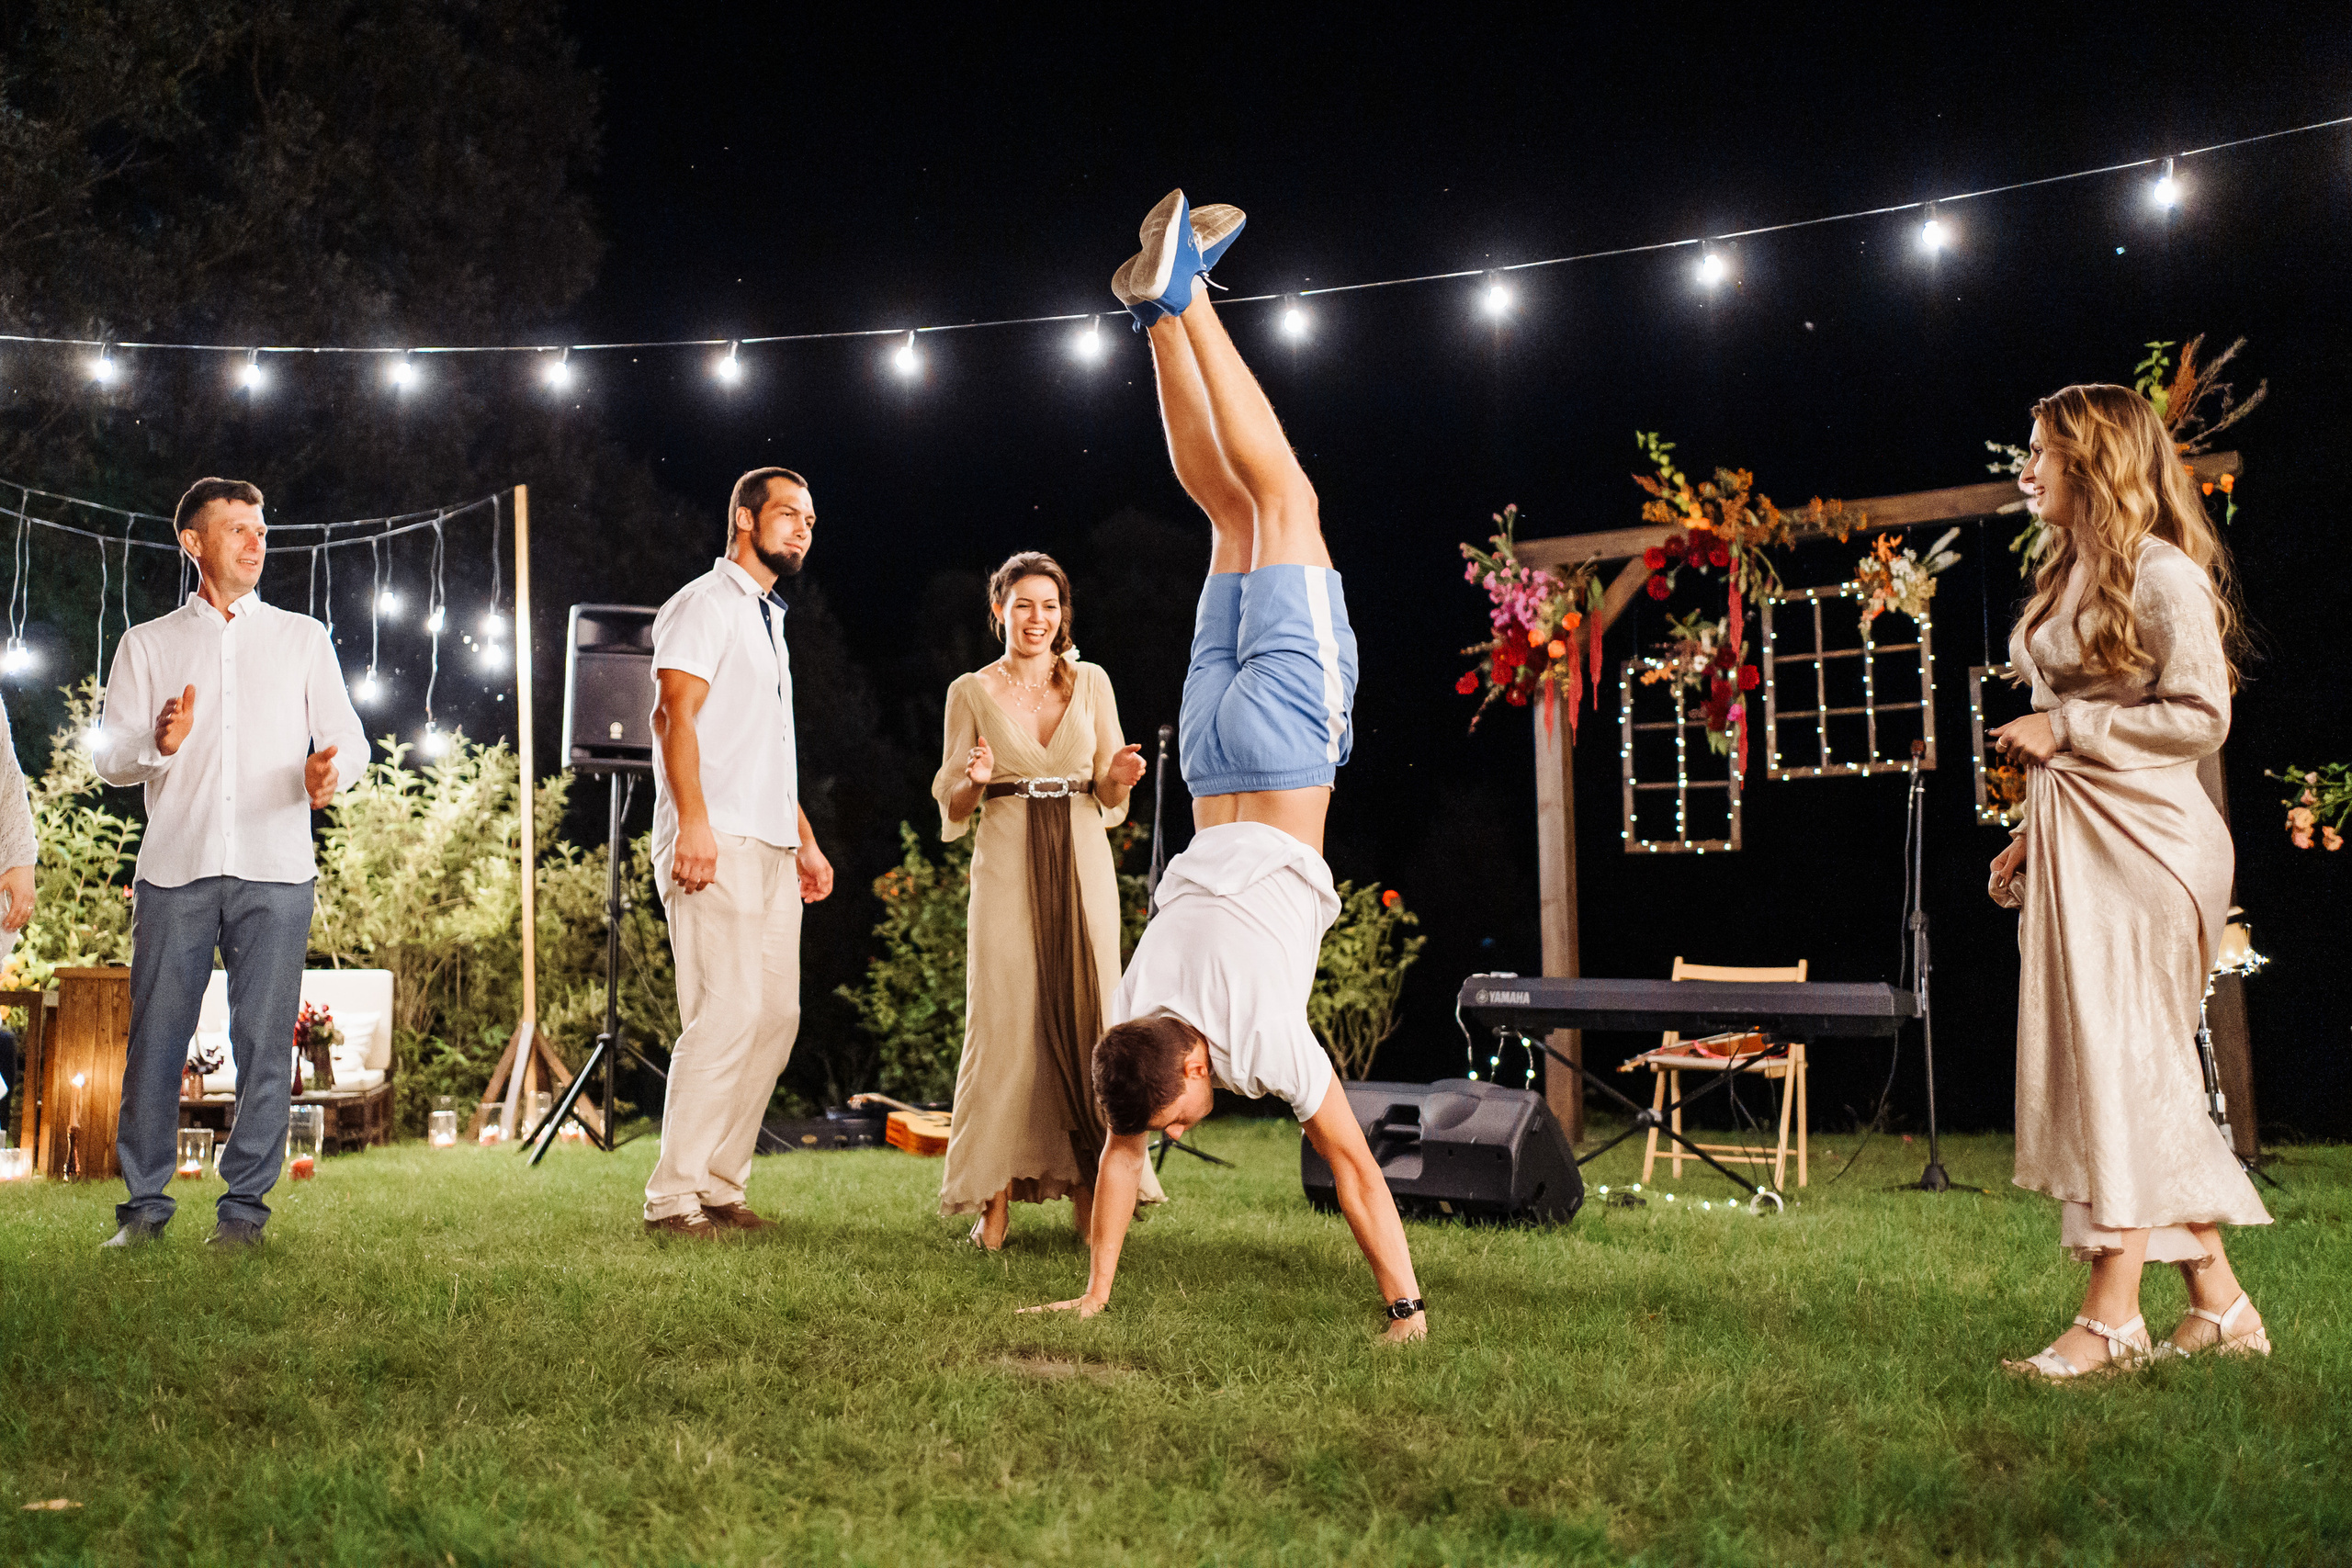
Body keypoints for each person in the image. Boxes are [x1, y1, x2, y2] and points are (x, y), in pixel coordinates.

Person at [1023, 190, 1428, 1342]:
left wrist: (1404, 1304)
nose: (1187, 1127)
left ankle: (1182, 301)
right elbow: (1118, 1149)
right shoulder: (1133, 1014)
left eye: (1183, 1115)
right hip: (1206, 762)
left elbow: (1351, 1167)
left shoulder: (1258, 1042)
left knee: (1284, 496)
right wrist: (1092, 1290)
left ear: (1192, 1063)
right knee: (1224, 515)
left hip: (1290, 752)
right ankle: (1155, 321)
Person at [1988, 385, 2270, 1376]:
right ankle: (2221, 1304)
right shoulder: (2066, 575)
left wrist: (2068, 728)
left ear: (2093, 461)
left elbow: (2200, 716)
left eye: (2040, 453)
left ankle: (2111, 1316)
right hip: (2080, 839)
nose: (2026, 470)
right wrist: (2030, 835)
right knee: (2119, 1057)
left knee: (2125, 1057)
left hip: (2153, 844)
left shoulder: (2161, 575)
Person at [92, 478, 366, 1249]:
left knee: (263, 1043)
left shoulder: (303, 638)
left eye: (261, 527)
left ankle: (243, 1211)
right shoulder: (148, 642)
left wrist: (329, 773)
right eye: (238, 527)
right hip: (174, 868)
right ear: (194, 542)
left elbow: (352, 738)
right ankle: (143, 1209)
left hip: (278, 870)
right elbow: (110, 754)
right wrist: (158, 744)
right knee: (156, 1042)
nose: (257, 540)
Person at [933, 552, 1156, 1248]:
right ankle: (992, 1204)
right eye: (1024, 604)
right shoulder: (968, 691)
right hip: (1004, 854)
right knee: (1003, 1021)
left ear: (1064, 615)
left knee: (1090, 1012)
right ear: (998, 609)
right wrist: (973, 778)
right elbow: (951, 801)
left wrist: (1119, 777)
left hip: (1082, 854)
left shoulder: (1092, 682)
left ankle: (1093, 1197)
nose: (1038, 618)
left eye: (1050, 606)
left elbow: (1110, 793)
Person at [644, 466, 832, 1237]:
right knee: (725, 1014)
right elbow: (672, 718)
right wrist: (692, 822)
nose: (803, 529)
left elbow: (764, 750)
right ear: (746, 519)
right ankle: (670, 1198)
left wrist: (808, 842)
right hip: (712, 839)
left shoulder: (767, 619)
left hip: (772, 844)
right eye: (789, 514)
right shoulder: (703, 604)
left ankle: (721, 1184)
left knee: (775, 1016)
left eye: (811, 521)